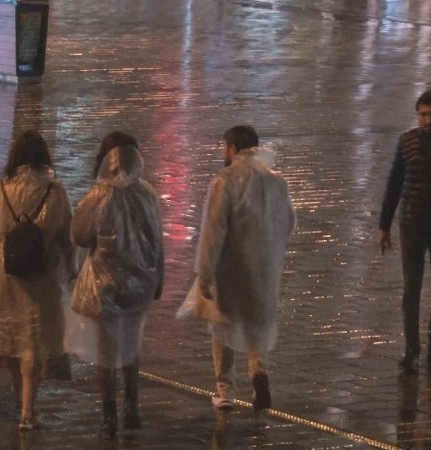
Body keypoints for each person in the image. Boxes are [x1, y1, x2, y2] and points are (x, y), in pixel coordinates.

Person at [189, 125, 294, 412]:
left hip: (230, 266)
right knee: (256, 323)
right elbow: (289, 222)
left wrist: (205, 273)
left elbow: (213, 231)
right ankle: (258, 371)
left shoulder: (224, 181)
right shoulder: (276, 181)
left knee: (221, 323)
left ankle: (225, 391)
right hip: (263, 266)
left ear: (233, 149)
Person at [70, 132, 165, 439]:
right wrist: (159, 279)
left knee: (107, 353)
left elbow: (79, 235)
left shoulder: (98, 196)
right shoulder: (146, 194)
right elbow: (157, 240)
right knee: (131, 346)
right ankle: (132, 407)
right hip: (140, 284)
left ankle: (109, 415)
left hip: (104, 286)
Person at [0, 130, 75, 431]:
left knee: (11, 337)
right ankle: (28, 409)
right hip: (43, 274)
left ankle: (18, 394)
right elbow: (66, 237)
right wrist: (71, 270)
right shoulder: (55, 192)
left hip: (5, 273)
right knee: (34, 343)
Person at [380, 89, 431, 372]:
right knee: (411, 288)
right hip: (412, 222)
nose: (428, 120)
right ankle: (411, 348)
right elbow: (394, 182)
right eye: (423, 115)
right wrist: (384, 225)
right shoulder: (407, 141)